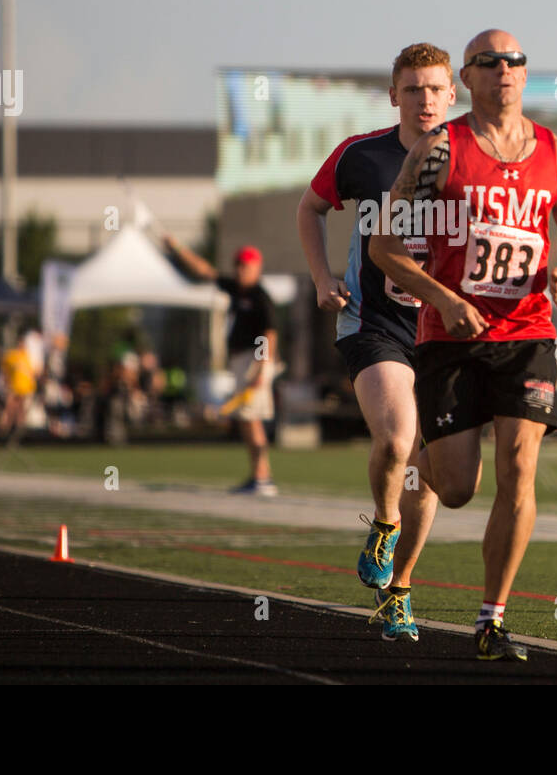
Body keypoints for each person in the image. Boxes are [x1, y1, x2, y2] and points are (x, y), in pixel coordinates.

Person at [371, 29, 557, 661]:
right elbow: (383, 247)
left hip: (527, 332)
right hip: (451, 335)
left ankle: (492, 620)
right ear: (467, 78)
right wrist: (443, 298)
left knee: (519, 467)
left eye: (514, 60)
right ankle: (423, 453)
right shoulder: (440, 150)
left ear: (526, 75)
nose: (504, 69)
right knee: (459, 486)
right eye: (489, 61)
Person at [296, 41, 454, 642]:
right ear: (394, 96)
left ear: (451, 94)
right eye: (412, 89)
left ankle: (401, 592)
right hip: (374, 324)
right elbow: (309, 209)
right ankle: (385, 525)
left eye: (435, 88)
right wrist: (321, 279)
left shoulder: (471, 162)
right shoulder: (363, 156)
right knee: (395, 442)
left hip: (442, 331)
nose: (425, 100)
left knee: (432, 469)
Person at [165, 239, 279, 495]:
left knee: (251, 419)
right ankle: (259, 476)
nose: (241, 270)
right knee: (247, 420)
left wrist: (261, 369)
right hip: (242, 360)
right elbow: (205, 270)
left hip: (255, 360)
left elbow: (270, 334)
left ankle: (263, 478)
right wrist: (178, 249)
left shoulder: (261, 296)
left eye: (246, 266)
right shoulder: (236, 289)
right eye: (238, 265)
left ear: (256, 267)